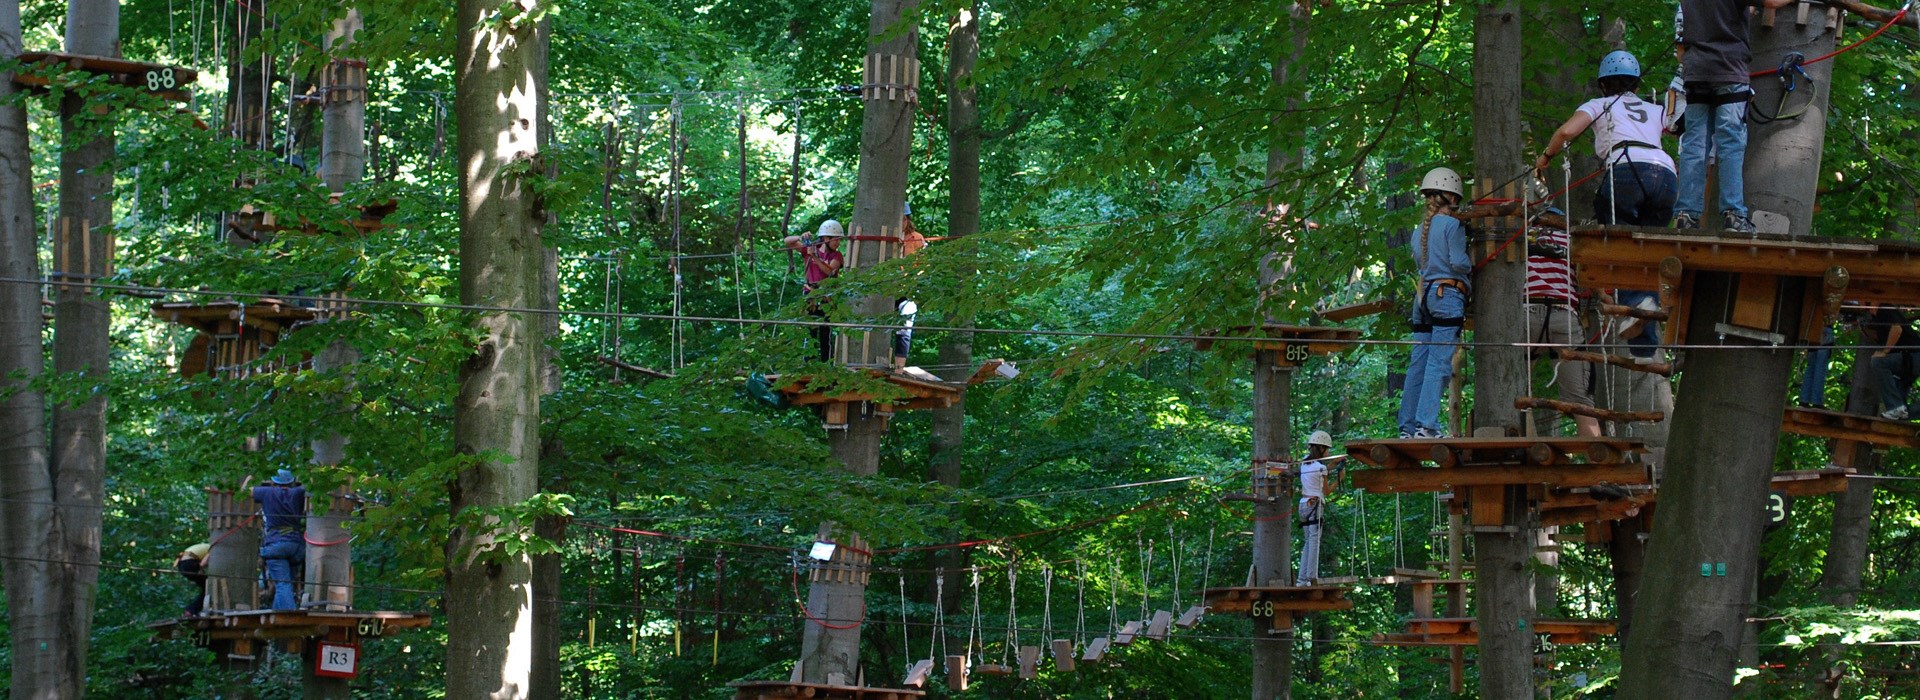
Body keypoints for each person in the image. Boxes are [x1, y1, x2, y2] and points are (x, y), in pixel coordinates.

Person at [1671, 0, 1795, 232]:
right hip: (1729, 69)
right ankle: (1733, 214)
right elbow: (1773, 2)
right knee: (1730, 142)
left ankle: (1685, 214)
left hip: (1696, 70)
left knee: (1694, 143)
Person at [1536, 51, 1677, 229]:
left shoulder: (1598, 105)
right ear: (1637, 87)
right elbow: (1677, 130)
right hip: (1665, 174)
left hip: (1626, 170)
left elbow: (1565, 132)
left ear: (1603, 84)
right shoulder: (1656, 109)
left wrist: (1546, 156)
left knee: (1616, 236)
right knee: (1653, 240)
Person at [1397, 167, 1469, 440]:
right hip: (1447, 295)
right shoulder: (1453, 225)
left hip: (1423, 297)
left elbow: (1423, 264)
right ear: (1452, 197)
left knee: (1420, 362)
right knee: (1439, 363)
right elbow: (1458, 262)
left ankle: (1408, 426)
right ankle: (1427, 425)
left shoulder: (1419, 231)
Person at [1522, 208, 1601, 437]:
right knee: (1579, 398)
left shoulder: (1522, 237)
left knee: (1514, 387)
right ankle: (1596, 457)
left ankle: (1525, 445)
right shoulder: (1571, 241)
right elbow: (1590, 279)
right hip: (1563, 314)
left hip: (1527, 312)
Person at [788, 219, 846, 361]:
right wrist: (801, 237)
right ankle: (808, 365)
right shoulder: (809, 249)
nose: (838, 243)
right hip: (811, 294)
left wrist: (815, 257)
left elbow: (830, 271)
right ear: (826, 238)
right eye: (835, 240)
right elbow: (788, 241)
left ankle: (826, 365)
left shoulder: (836, 256)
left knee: (825, 333)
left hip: (827, 296)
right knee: (810, 332)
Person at [253, 468, 307, 610]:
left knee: (282, 584)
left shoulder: (266, 492)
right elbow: (313, 486)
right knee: (285, 584)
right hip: (296, 546)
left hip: (276, 544)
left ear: (273, 482)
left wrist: (253, 474)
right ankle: (277, 612)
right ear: (292, 482)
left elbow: (243, 491)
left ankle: (288, 615)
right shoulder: (299, 492)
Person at [1863, 305, 1919, 420]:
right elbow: (1877, 337)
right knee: (1900, 413)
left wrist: (1885, 351)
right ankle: (1899, 411)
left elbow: (1897, 329)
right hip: (1906, 363)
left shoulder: (1884, 309)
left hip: (1913, 356)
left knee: (1878, 362)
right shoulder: (1878, 319)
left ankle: (1896, 407)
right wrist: (1864, 328)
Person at [1296, 431, 1337, 586]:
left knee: (1308, 541)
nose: (1328, 452)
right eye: (1327, 449)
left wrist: (1332, 464)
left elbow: (1321, 470)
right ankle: (1311, 578)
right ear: (1321, 448)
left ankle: (1302, 579)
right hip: (1315, 506)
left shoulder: (1304, 463)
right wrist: (1339, 480)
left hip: (1303, 505)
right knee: (1314, 542)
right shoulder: (1320, 467)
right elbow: (1326, 491)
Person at [895, 202, 925, 370]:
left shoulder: (917, 238)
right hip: (890, 289)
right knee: (884, 325)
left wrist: (914, 279)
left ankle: (899, 368)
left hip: (909, 289)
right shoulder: (889, 237)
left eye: (904, 219)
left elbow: (922, 265)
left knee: (905, 327)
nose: (902, 222)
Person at [174, 542, 212, 616]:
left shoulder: (205, 547)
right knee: (208, 588)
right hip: (189, 563)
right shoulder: (213, 549)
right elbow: (202, 564)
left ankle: (192, 610)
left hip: (182, 565)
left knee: (205, 588)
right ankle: (191, 610)